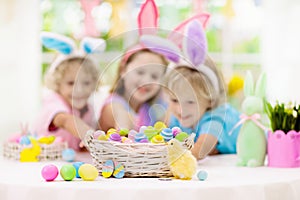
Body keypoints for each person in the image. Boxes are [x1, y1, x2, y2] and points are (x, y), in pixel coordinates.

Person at [33, 32, 104, 151]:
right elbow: (65, 120)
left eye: (86, 83)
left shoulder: (88, 109)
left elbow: (80, 143)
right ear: (57, 83)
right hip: (42, 160)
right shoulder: (53, 102)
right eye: (71, 83)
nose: (79, 90)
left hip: (66, 163)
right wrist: (93, 137)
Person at [98, 46, 169, 132]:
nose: (146, 81)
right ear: (123, 70)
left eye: (154, 76)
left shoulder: (148, 108)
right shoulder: (113, 105)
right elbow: (124, 125)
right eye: (140, 72)